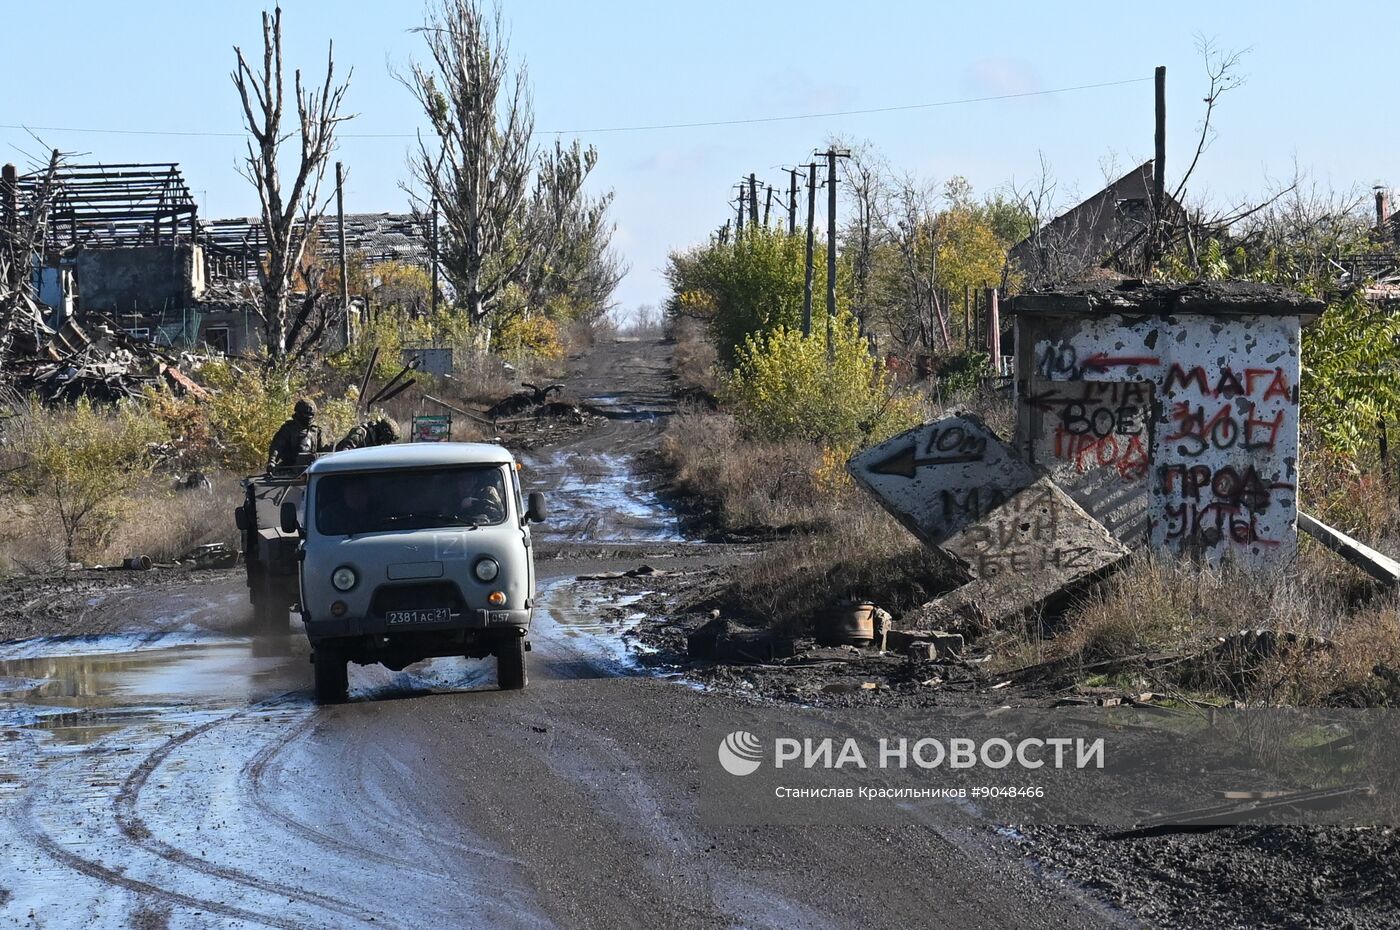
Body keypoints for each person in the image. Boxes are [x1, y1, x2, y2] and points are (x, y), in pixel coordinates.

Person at [267, 399, 327, 471]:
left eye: (310, 414)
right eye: (305, 414)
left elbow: (323, 450)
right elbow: (277, 446)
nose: (307, 417)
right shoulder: (288, 428)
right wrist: (272, 461)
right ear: (298, 413)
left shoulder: (317, 430)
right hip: (289, 467)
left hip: (312, 468)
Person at [335, 413, 402, 452]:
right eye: (384, 440)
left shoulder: (377, 443)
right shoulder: (361, 433)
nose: (383, 443)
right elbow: (343, 452)